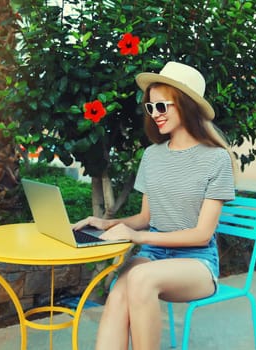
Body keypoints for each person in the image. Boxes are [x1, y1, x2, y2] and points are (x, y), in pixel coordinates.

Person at [73, 61, 237, 350]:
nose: (155, 115)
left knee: (139, 278)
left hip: (197, 262)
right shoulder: (152, 155)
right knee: (120, 290)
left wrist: (138, 237)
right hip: (154, 255)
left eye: (163, 107)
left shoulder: (217, 159)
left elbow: (201, 234)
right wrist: (107, 224)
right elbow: (147, 217)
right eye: (151, 108)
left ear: (186, 106)